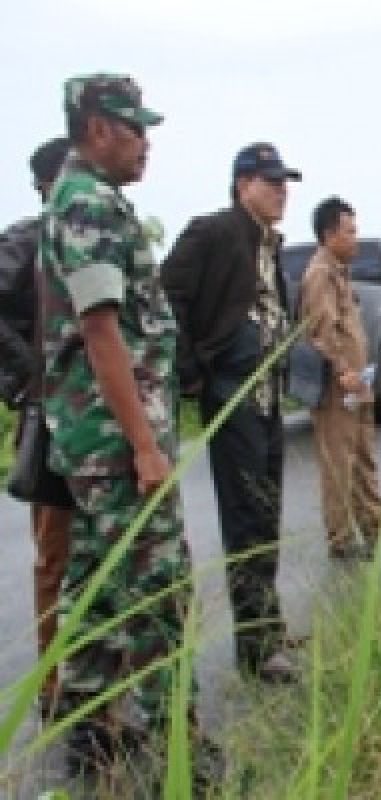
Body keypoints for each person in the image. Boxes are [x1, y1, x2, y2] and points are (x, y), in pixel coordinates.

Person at [40, 73, 212, 777]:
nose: (146, 144)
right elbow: (101, 331)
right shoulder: (86, 204)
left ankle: (87, 730)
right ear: (97, 126)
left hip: (103, 436)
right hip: (114, 440)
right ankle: (181, 751)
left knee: (96, 578)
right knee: (160, 584)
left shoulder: (92, 198)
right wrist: (144, 446)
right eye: (135, 128)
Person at [161, 142, 302, 684]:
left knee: (267, 511)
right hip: (234, 394)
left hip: (267, 395)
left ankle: (268, 622)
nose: (281, 191)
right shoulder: (215, 232)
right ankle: (256, 647)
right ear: (243, 185)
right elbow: (167, 298)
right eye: (271, 182)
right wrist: (194, 371)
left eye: (283, 182)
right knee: (245, 517)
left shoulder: (268, 244)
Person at [300, 196, 381, 557]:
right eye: (350, 231)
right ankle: (340, 538)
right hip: (339, 385)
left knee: (364, 455)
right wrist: (343, 370)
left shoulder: (340, 271)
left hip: (357, 382)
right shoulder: (320, 274)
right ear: (330, 234)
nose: (355, 238)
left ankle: (374, 524)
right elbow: (321, 331)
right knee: (338, 461)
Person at [0, 137, 73, 709]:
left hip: (94, 416)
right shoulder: (28, 240)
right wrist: (29, 374)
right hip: (49, 417)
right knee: (55, 553)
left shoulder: (88, 237)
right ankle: (52, 682)